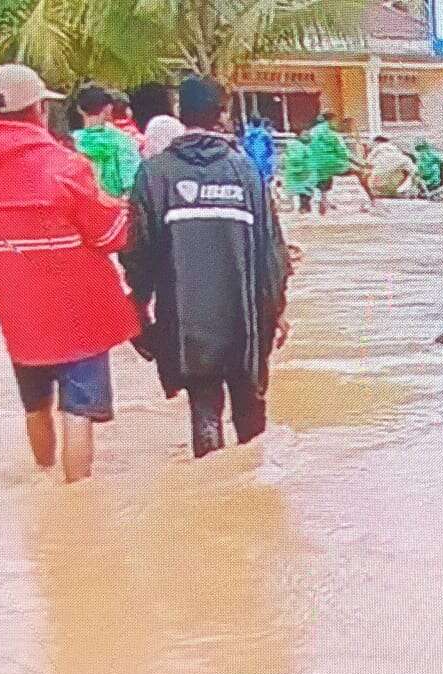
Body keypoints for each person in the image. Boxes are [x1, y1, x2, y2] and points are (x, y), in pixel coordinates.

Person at [0, 64, 140, 483]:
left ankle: (44, 484)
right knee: (78, 413)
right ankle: (78, 510)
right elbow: (110, 234)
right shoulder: (65, 166)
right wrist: (128, 214)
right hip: (77, 316)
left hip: (19, 317)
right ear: (39, 109)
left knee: (36, 406)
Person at [121, 76, 292, 459]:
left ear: (181, 114)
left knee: (204, 409)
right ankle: (254, 497)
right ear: (222, 115)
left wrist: (139, 304)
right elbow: (271, 252)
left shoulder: (155, 174)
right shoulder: (246, 173)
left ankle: (214, 491)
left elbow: (138, 252)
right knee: (250, 410)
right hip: (244, 323)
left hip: (186, 325)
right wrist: (276, 310)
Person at [73, 83, 143, 198]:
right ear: (108, 108)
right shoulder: (124, 142)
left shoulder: (70, 143)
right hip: (114, 210)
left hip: (79, 210)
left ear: (79, 109)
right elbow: (132, 186)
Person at [307, 113, 351, 214]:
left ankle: (321, 200)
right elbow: (343, 151)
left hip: (314, 161)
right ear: (330, 121)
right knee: (325, 181)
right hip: (327, 162)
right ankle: (323, 200)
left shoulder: (312, 132)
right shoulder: (333, 134)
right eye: (335, 121)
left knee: (318, 181)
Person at [281, 131, 317, 213]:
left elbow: (285, 157)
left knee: (301, 190)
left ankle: (302, 206)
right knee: (306, 190)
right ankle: (304, 206)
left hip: (294, 172)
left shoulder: (291, 145)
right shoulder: (307, 147)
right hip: (305, 172)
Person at [242, 116, 277, 185]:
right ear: (261, 123)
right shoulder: (265, 135)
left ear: (251, 123)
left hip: (250, 165)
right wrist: (271, 170)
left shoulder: (247, 135)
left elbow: (245, 148)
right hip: (264, 164)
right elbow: (271, 151)